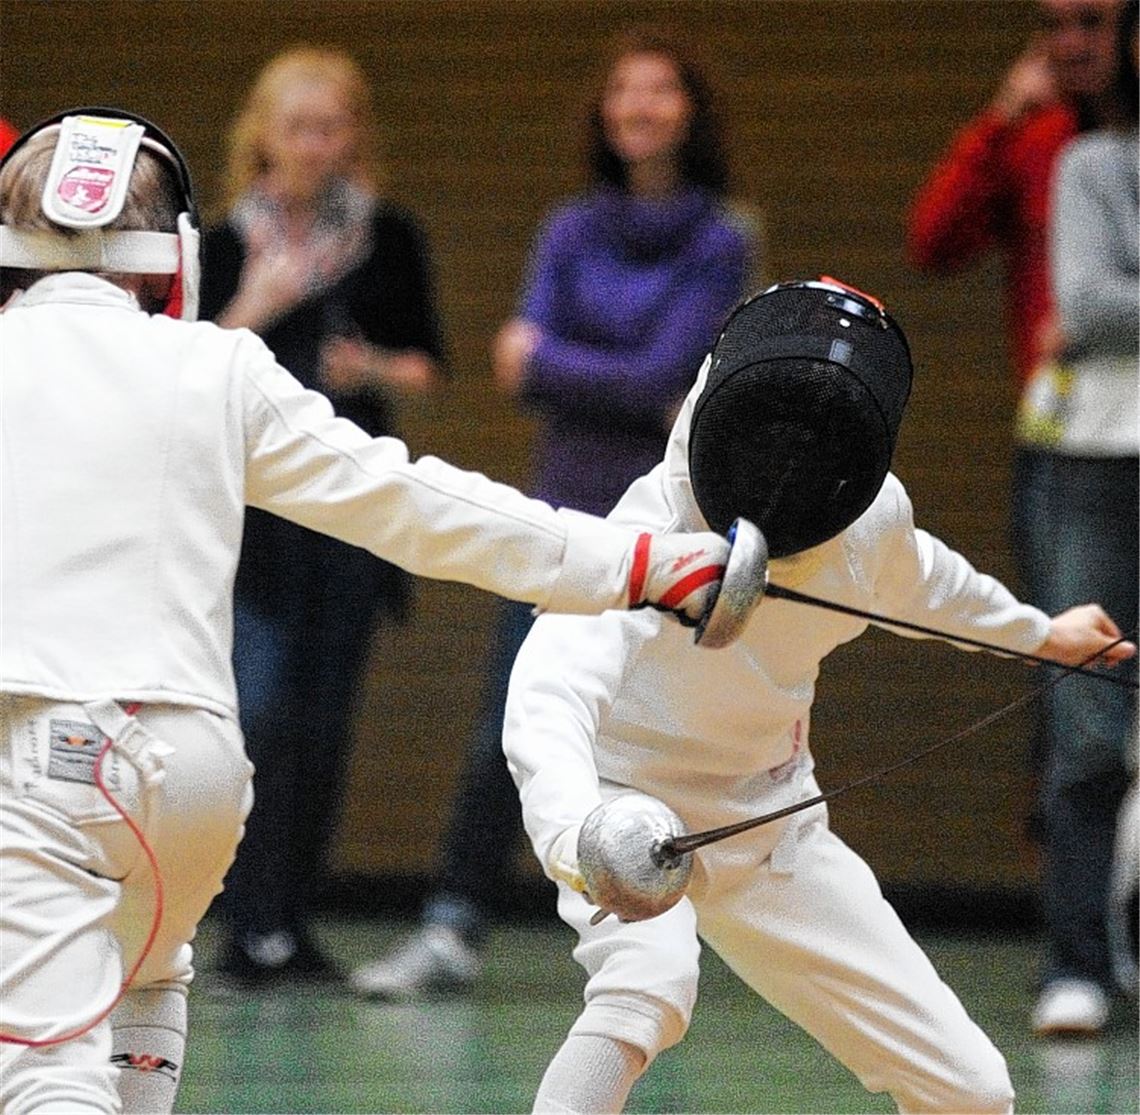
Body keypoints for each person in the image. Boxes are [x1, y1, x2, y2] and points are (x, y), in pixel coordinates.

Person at [0, 108, 741, 1115]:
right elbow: (418, 505)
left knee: (46, 1079)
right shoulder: (216, 367)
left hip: (47, 766)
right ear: (172, 254)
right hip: (197, 787)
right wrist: (642, 561)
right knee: (142, 985)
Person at [501, 278, 1136, 1115]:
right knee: (642, 991)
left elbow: (929, 585)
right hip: (627, 820)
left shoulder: (867, 522)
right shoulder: (643, 541)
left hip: (773, 826)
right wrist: (580, 834)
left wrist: (1039, 633)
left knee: (971, 1089)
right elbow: (544, 701)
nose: (789, 456)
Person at [350, 28, 756, 1000]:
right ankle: (451, 927)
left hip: (670, 517)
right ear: (604, 113)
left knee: (657, 734)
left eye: (659, 91)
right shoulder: (571, 227)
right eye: (624, 91)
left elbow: (665, 377)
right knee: (510, 719)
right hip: (564, 517)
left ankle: (663, 932)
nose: (639, 107)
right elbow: (514, 366)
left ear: (689, 111)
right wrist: (584, 376)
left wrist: (556, 362)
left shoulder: (721, 237)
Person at [196, 46, 448, 986]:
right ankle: (242, 924)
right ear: (262, 134)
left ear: (354, 136)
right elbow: (180, 377)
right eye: (296, 126)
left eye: (331, 126)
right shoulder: (222, 244)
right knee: (253, 714)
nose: (313, 145)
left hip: (352, 517)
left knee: (322, 723)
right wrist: (253, 308)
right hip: (250, 522)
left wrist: (371, 371)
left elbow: (428, 365)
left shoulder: (389, 238)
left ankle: (291, 925)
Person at [905, 0, 1127, 1035]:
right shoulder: (1040, 142)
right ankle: (1074, 951)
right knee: (1075, 700)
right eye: (1056, 25)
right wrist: (996, 120)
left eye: (1095, 21)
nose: (1073, 42)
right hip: (1069, 443)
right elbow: (934, 240)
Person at [1031, 0, 1137, 1022]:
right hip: (1104, 455)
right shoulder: (1093, 165)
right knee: (1088, 712)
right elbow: (1088, 300)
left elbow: (1112, 305)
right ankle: (1075, 962)